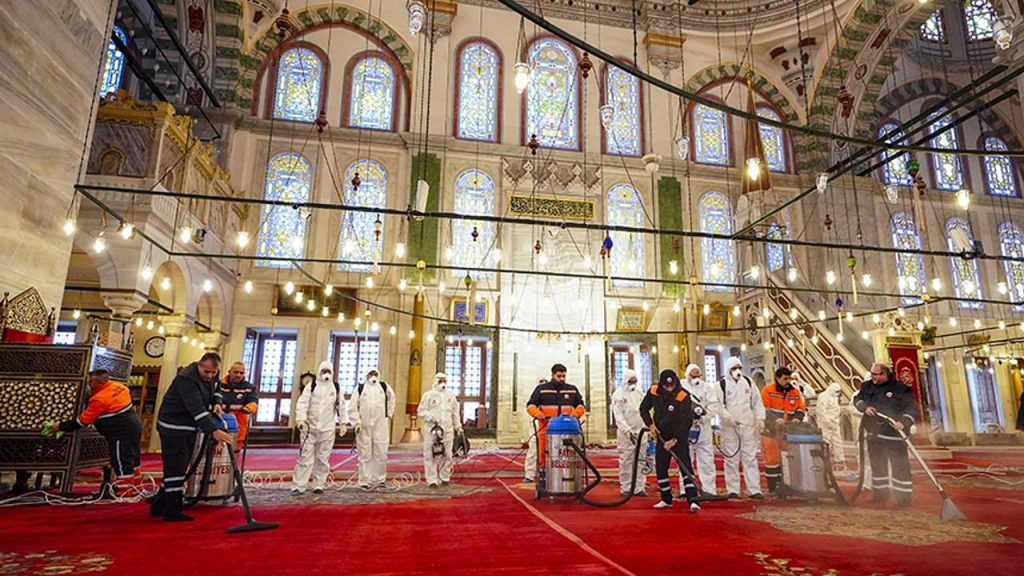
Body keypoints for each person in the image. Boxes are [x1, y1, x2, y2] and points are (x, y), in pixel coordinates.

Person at [149, 352, 232, 522]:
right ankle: (172, 510)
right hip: (174, 426)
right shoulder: (185, 379)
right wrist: (214, 431)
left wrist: (217, 402)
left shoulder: (212, 377)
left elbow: (217, 389)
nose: (209, 376)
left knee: (179, 466)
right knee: (176, 468)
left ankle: (158, 504)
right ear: (199, 366)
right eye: (206, 372)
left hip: (189, 427)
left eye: (213, 373)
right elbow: (196, 409)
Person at [49, 369, 143, 492]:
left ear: (95, 381)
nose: (88, 383)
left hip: (121, 431)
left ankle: (125, 490)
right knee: (133, 456)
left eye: (90, 381)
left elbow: (82, 421)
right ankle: (136, 485)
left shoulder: (99, 399)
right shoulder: (120, 387)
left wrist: (60, 426)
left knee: (121, 459)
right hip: (135, 426)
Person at [854, 363, 919, 507]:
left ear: (885, 374)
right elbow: (858, 400)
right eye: (872, 374)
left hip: (894, 435)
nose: (874, 378)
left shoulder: (900, 389)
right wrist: (864, 408)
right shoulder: (867, 386)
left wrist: (903, 422)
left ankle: (904, 498)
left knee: (899, 466)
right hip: (874, 434)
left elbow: (912, 408)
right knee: (878, 465)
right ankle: (880, 495)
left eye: (876, 374)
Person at [640, 369, 702, 512]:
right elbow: (643, 409)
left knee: (685, 467)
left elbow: (687, 421)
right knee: (661, 468)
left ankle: (693, 501)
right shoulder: (654, 391)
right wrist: (650, 425)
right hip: (661, 435)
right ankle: (666, 499)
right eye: (666, 386)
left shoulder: (683, 395)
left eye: (671, 385)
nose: (669, 388)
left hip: (678, 435)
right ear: (661, 384)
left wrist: (674, 440)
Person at [291, 361, 345, 496]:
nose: (326, 374)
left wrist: (343, 423)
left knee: (322, 458)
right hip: (309, 429)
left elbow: (342, 406)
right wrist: (301, 420)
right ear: (319, 371)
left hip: (327, 429)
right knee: (305, 457)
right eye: (323, 371)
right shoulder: (311, 386)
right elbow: (303, 403)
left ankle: (319, 484)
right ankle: (298, 486)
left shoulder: (336, 387)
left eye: (328, 371)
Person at [714, 357, 765, 499]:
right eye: (734, 368)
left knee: (750, 458)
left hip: (748, 426)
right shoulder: (721, 385)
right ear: (728, 369)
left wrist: (760, 419)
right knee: (731, 459)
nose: (737, 371)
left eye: (739, 368)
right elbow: (718, 405)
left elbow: (757, 402)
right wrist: (727, 418)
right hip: (730, 428)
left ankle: (754, 489)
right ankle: (733, 489)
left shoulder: (748, 382)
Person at [526, 364, 586, 483]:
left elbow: (581, 405)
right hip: (546, 429)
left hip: (567, 430)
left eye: (564, 376)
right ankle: (544, 475)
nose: (562, 379)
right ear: (553, 375)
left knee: (566, 453)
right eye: (559, 376)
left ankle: (567, 476)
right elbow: (530, 405)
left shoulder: (572, 389)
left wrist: (576, 414)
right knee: (543, 453)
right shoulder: (541, 389)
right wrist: (537, 414)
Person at [761, 367, 807, 493]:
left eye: (790, 378)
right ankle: (773, 487)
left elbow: (801, 408)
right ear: (778, 378)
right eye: (785, 378)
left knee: (790, 457)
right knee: (773, 460)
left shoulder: (795, 392)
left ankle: (790, 484)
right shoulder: (768, 391)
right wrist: (775, 420)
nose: (788, 381)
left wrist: (798, 418)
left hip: (788, 432)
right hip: (770, 432)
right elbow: (765, 410)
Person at [348, 368, 396, 489]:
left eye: (375, 374)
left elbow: (392, 398)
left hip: (381, 425)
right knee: (365, 453)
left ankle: (379, 479)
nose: (373, 376)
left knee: (381, 452)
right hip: (364, 426)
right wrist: (356, 422)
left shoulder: (384, 386)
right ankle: (364, 480)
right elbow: (353, 406)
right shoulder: (360, 388)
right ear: (367, 375)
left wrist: (389, 413)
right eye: (371, 374)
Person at [418, 372, 462, 487]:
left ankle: (444, 477)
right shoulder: (428, 395)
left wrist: (458, 426)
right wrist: (431, 416)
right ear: (435, 381)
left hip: (447, 430)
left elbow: (455, 413)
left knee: (447, 454)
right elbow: (421, 411)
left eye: (444, 381)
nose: (442, 383)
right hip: (432, 430)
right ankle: (432, 479)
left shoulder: (451, 396)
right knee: (430, 455)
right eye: (440, 380)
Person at [681, 363, 718, 494]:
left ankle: (709, 489)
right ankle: (685, 489)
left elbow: (714, 405)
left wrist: (705, 417)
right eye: (693, 375)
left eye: (699, 375)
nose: (696, 378)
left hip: (703, 428)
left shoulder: (707, 388)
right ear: (687, 375)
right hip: (685, 428)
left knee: (707, 460)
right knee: (685, 459)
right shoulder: (681, 386)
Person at [610, 368, 647, 497]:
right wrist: (627, 430)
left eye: (635, 381)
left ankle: (639, 487)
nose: (633, 384)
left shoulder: (639, 394)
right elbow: (618, 416)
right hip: (626, 435)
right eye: (631, 381)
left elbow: (644, 412)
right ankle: (626, 487)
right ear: (626, 381)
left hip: (641, 432)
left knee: (641, 460)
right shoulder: (618, 395)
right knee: (627, 460)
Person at [216, 362, 258, 449]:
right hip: (218, 423)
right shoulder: (218, 385)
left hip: (238, 425)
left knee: (233, 455)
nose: (238, 375)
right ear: (229, 372)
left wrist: (248, 408)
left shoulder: (250, 388)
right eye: (235, 372)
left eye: (241, 373)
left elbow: (253, 403)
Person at [816, 382, 847, 471]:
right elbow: (821, 411)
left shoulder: (835, 397)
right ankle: (825, 461)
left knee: (838, 442)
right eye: (836, 391)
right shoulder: (823, 396)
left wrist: (834, 423)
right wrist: (828, 422)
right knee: (826, 443)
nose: (837, 393)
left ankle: (839, 460)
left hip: (834, 423)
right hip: (825, 424)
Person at [523, 377, 546, 483]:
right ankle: (530, 475)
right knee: (533, 449)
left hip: (548, 426)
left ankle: (546, 473)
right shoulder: (535, 398)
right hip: (536, 424)